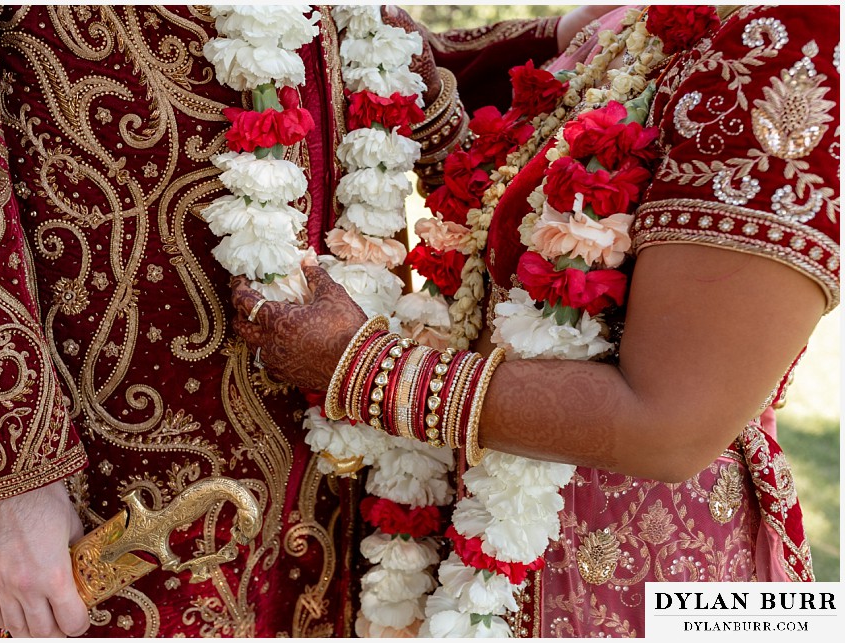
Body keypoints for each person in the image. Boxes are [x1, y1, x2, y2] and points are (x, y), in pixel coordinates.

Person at [0, 4, 610, 638]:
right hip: (108, 463)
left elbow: (347, 41)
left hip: (324, 447)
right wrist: (11, 477)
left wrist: (548, 41)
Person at [230, 4, 840, 637]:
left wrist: (360, 368)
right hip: (463, 520)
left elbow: (671, 424)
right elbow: (492, 146)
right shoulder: (639, 18)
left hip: (640, 578)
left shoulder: (798, 36)